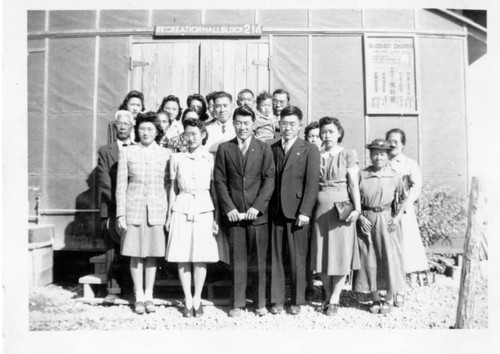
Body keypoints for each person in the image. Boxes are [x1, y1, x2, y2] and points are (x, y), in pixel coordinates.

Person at [214, 105, 275, 318]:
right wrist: (229, 208)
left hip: (257, 216)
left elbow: (269, 181)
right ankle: (237, 303)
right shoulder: (225, 149)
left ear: (254, 124)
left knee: (259, 260)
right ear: (233, 124)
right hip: (234, 216)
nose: (242, 127)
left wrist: (257, 208)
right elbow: (219, 181)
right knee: (237, 260)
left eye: (246, 123)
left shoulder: (264, 148)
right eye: (238, 123)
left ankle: (259, 303)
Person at [115, 111, 171, 315]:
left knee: (152, 255)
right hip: (134, 209)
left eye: (150, 129)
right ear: (137, 130)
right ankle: (138, 296)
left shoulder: (166, 154)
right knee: (136, 255)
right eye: (142, 129)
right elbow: (121, 185)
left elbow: (168, 185)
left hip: (157, 210)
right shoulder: (128, 152)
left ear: (157, 131)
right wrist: (121, 214)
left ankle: (149, 296)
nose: (146, 132)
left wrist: (169, 215)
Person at [165, 118, 222, 318]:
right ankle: (187, 298)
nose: (190, 138)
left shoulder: (210, 159)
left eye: (194, 134)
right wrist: (170, 215)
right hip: (182, 207)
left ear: (203, 135)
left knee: (200, 256)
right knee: (182, 256)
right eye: (187, 134)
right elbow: (172, 189)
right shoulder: (176, 159)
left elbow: (215, 190)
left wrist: (216, 217)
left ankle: (198, 298)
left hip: (204, 208)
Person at [269, 106, 320, 315]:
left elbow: (312, 183)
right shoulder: (271, 148)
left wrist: (305, 211)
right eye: (284, 123)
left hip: (298, 211)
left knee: (297, 257)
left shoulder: (309, 149)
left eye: (292, 124)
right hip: (274, 211)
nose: (287, 128)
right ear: (278, 125)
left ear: (299, 126)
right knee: (276, 257)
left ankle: (297, 299)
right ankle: (277, 299)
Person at [310, 117, 361, 316]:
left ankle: (335, 298)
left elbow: (354, 183)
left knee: (341, 253)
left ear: (339, 133)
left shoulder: (348, 154)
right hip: (320, 209)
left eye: (331, 131)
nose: (327, 135)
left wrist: (357, 209)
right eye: (323, 132)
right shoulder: (316, 154)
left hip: (341, 209)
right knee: (322, 253)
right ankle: (328, 294)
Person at [353, 139, 407, 315]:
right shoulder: (362, 175)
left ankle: (389, 298)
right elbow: (353, 199)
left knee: (389, 257)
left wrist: (397, 218)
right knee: (370, 257)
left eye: (382, 153)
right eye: (375, 153)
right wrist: (360, 217)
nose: (378, 157)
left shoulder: (395, 174)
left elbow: (404, 198)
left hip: (388, 219)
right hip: (367, 219)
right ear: (370, 155)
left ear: (387, 155)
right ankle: (375, 297)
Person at [386, 128, 428, 307]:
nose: (392, 144)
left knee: (402, 251)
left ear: (402, 144)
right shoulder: (382, 163)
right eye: (389, 140)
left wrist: (402, 207)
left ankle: (400, 291)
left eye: (396, 141)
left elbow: (415, 190)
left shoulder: (409, 164)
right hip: (386, 213)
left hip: (403, 214)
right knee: (387, 250)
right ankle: (387, 289)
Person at [97, 110, 135, 303]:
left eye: (126, 124)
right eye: (119, 124)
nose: (122, 127)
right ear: (115, 126)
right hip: (112, 205)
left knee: (133, 247)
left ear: (132, 127)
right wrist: (120, 205)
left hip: (134, 208)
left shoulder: (137, 148)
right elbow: (104, 182)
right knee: (112, 249)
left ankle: (133, 288)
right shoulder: (106, 151)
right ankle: (112, 290)